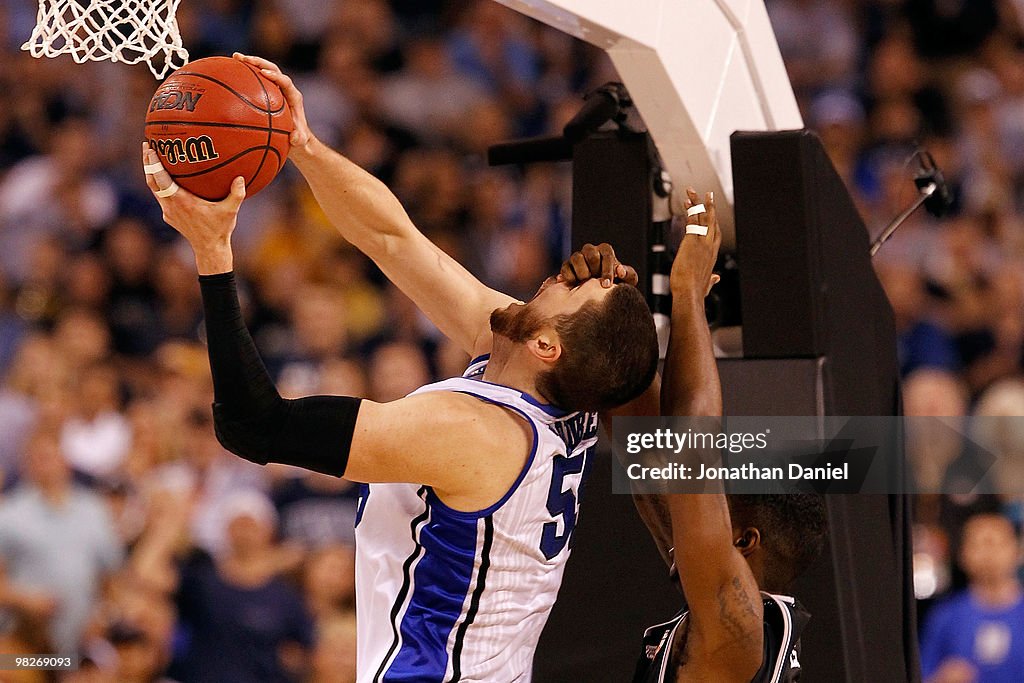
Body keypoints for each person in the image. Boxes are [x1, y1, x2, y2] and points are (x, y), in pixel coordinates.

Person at [140, 51, 662, 681]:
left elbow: (252, 426)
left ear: (547, 346)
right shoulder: (552, 374)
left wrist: (212, 254)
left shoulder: (470, 431)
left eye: (569, 289)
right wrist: (299, 143)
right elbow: (391, 238)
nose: (559, 274)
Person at [560, 196, 827, 682]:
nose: (694, 497)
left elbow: (690, 445)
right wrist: (604, 302)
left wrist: (686, 293)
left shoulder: (742, 632)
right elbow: (636, 427)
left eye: (714, 498)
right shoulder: (720, 605)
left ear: (744, 540)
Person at [920, 512, 1024, 683]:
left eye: (996, 543)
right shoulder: (945, 616)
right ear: (962, 554)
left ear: (1017, 551)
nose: (988, 554)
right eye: (978, 544)